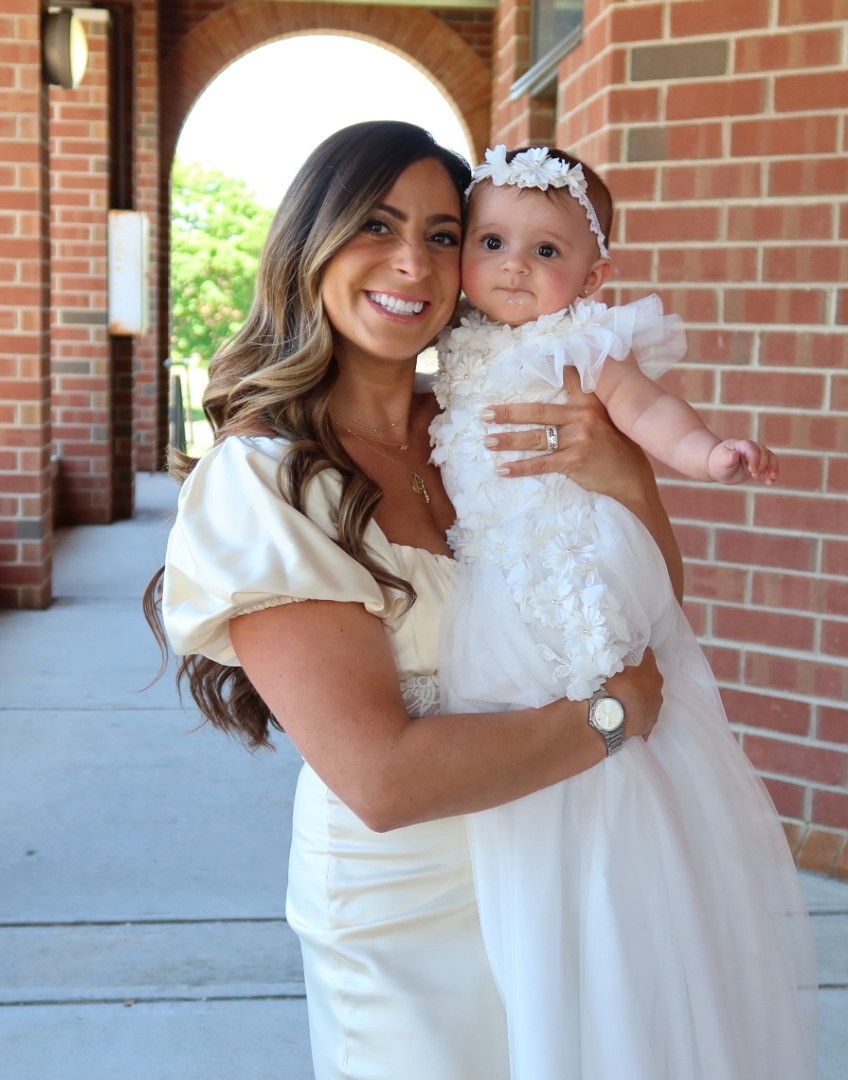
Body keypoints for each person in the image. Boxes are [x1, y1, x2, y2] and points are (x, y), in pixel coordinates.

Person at [147, 121, 678, 1080]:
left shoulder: (492, 423)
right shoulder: (264, 482)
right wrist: (612, 715)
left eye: (444, 234)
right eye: (375, 226)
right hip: (405, 909)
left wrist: (631, 480)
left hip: (563, 857)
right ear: (310, 242)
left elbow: (646, 617)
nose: (414, 262)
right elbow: (382, 779)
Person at [430, 144, 818, 1079]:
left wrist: (710, 454)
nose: (515, 266)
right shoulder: (448, 346)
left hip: (575, 559)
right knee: (526, 757)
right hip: (496, 582)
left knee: (608, 726)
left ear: (594, 275)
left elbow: (650, 413)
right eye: (491, 241)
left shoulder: (584, 345)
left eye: (547, 251)